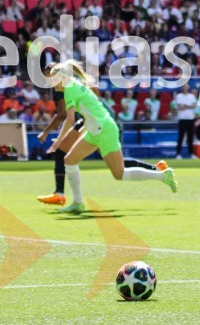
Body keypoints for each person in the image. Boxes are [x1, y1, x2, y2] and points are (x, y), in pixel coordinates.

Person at [44, 61, 177, 214]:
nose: (50, 83)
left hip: (104, 130)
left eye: (53, 79)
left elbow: (69, 119)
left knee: (119, 174)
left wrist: (57, 143)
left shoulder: (69, 90)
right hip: (96, 130)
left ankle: (162, 176)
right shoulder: (73, 83)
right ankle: (78, 203)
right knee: (69, 160)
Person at [173, 84, 198, 159]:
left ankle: (191, 154)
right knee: (181, 137)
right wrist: (188, 106)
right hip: (182, 119)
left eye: (186, 87)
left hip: (190, 118)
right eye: (183, 87)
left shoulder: (192, 96)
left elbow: (194, 106)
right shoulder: (179, 96)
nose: (185, 88)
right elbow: (180, 107)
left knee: (190, 137)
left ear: (188, 87)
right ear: (182, 88)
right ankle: (178, 154)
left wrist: (185, 106)